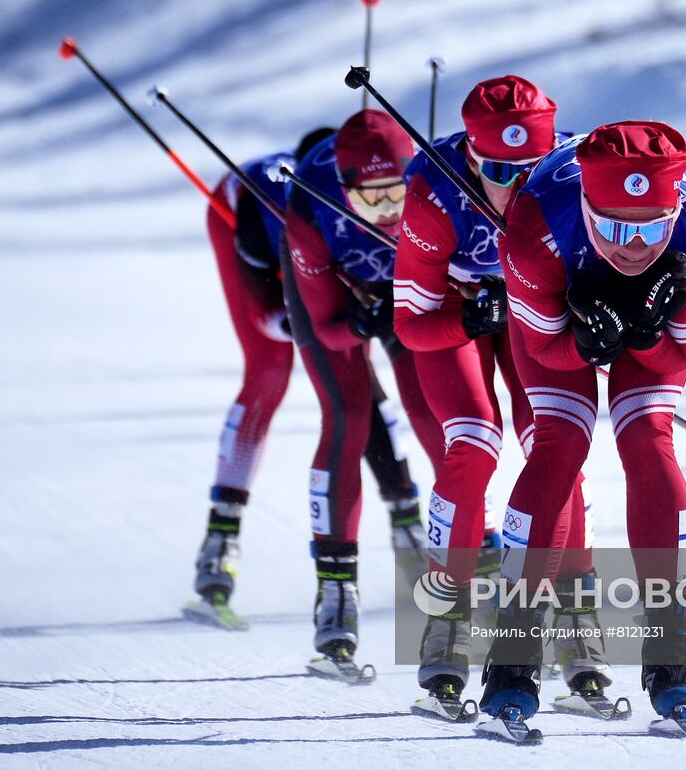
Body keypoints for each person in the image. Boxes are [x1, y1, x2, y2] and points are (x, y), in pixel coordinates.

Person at [479, 119, 686, 729]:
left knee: (649, 441)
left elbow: (676, 358)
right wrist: (582, 337)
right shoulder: (534, 225)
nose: (633, 246)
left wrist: (644, 335)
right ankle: (512, 657)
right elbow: (544, 353)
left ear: (676, 208)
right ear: (587, 207)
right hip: (556, 325)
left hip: (649, 334)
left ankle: (674, 657)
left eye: (652, 226)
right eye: (615, 227)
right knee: (560, 444)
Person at [392, 76, 606, 716]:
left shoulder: (575, 178)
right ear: (469, 159)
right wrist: (472, 315)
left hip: (535, 317)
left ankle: (575, 622)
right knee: (475, 443)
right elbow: (410, 324)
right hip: (458, 315)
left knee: (555, 445)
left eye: (530, 169)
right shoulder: (434, 191)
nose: (515, 186)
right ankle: (447, 621)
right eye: (497, 170)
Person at [187, 126, 428, 629]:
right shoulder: (268, 219)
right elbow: (269, 318)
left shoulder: (373, 202)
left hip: (334, 239)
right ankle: (220, 541)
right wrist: (332, 319)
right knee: (270, 370)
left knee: (368, 378)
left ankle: (409, 529)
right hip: (243, 221)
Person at [283, 109, 447, 669]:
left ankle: (476, 571)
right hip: (341, 300)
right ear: (345, 188)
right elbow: (326, 326)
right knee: (347, 416)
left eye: (395, 195)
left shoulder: (434, 185)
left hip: (406, 294)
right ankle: (336, 593)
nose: (385, 212)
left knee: (435, 415)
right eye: (368, 199)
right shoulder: (312, 202)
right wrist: (356, 322)